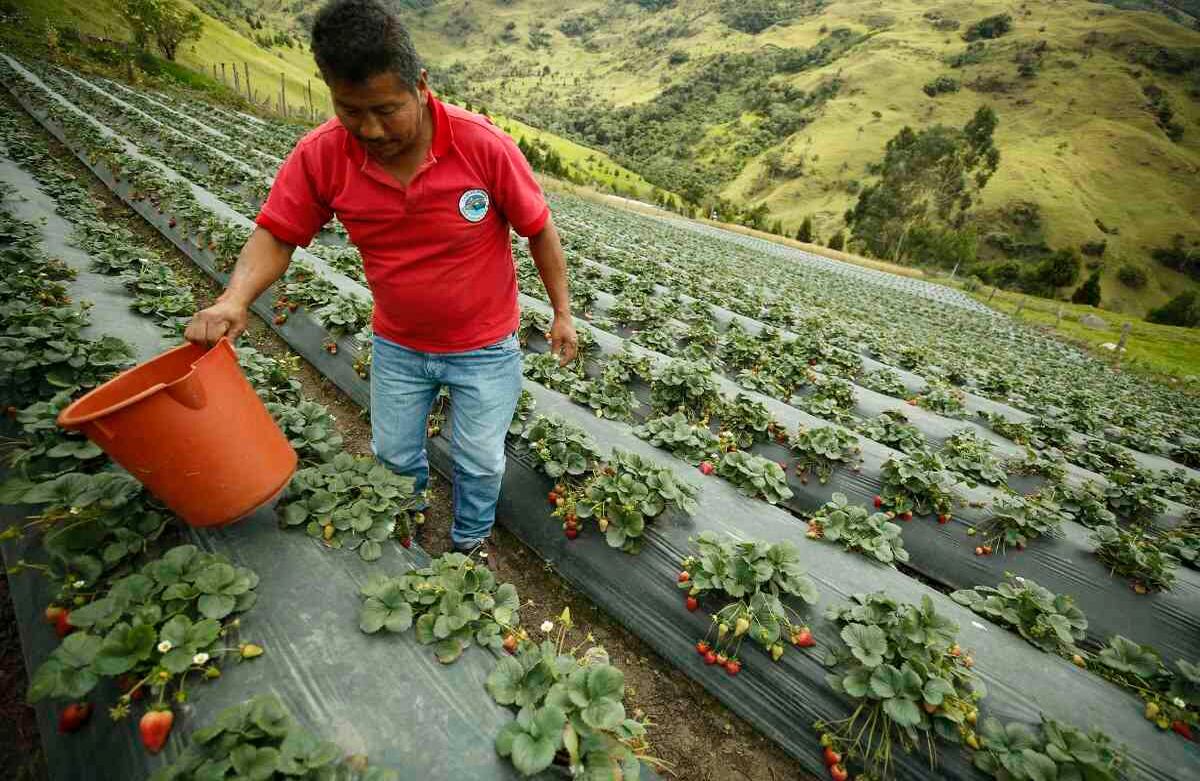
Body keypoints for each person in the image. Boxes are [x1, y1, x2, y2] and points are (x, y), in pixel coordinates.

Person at [184, 0, 577, 567]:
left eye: (386, 110)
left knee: (480, 458)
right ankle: (405, 525)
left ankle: (469, 542)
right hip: (399, 345)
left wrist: (561, 312)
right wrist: (233, 299)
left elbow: (539, 229)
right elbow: (278, 231)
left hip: (486, 347)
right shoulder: (322, 155)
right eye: (350, 110)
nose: (370, 129)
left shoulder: (482, 145)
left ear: (420, 86)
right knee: (393, 454)